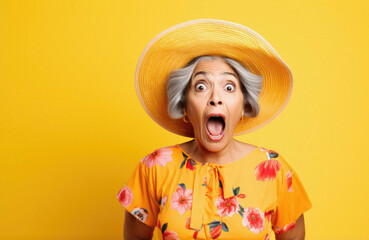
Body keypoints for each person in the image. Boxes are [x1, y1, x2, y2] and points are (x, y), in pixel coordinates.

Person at [117, 19, 312, 240]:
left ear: (243, 107)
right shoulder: (154, 168)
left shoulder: (273, 169)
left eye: (229, 87)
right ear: (185, 108)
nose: (215, 98)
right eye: (201, 86)